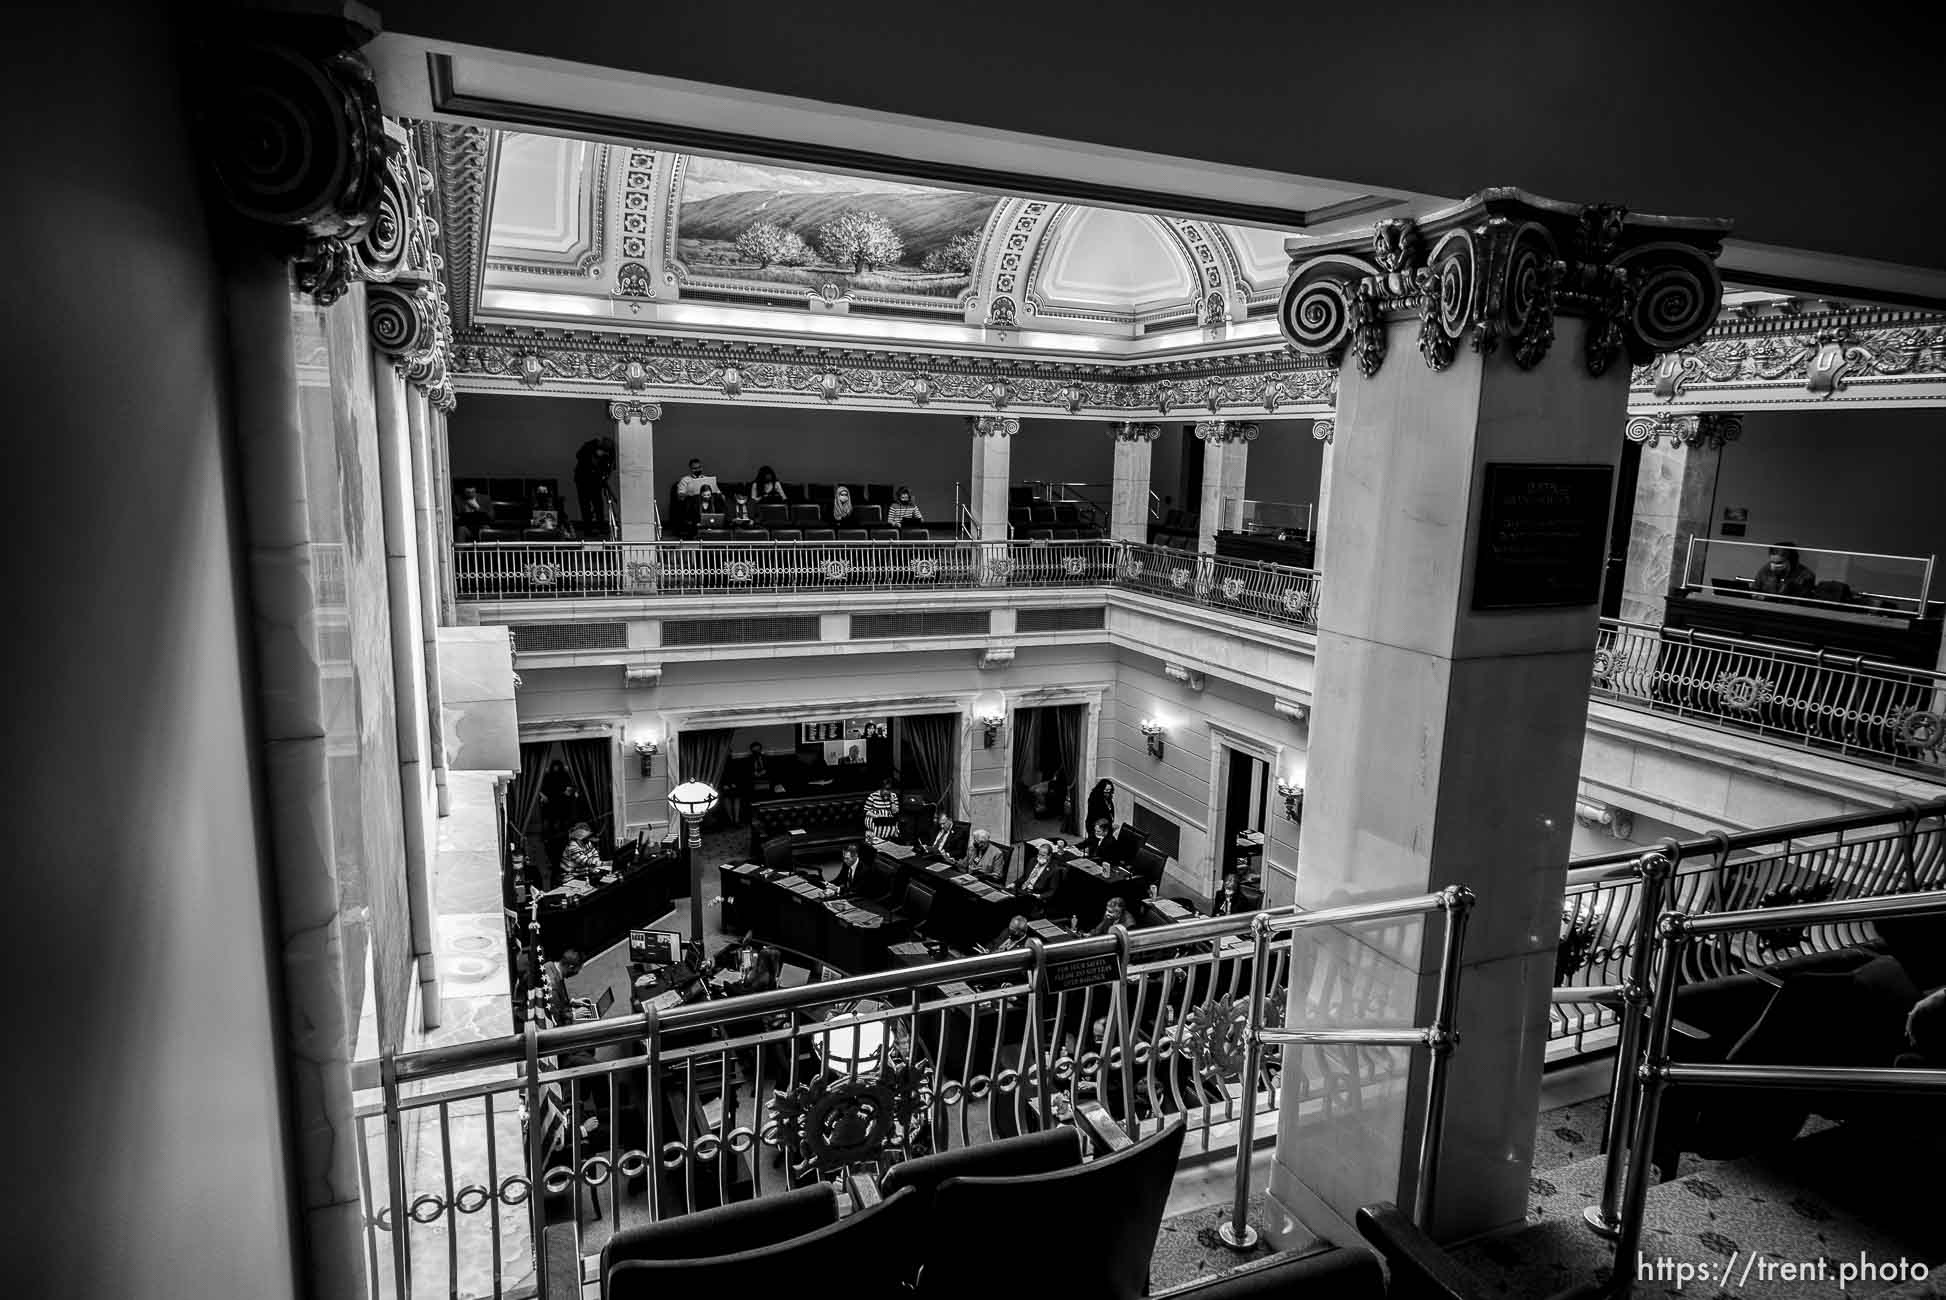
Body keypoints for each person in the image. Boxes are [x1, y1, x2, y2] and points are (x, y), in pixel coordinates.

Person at [573, 436, 616, 535]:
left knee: (598, 505)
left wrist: (604, 476)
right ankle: (588, 530)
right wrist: (593, 456)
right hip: (583, 480)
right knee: (585, 506)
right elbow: (579, 456)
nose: (603, 454)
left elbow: (608, 467)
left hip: (596, 481)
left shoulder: (607, 455)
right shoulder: (589, 447)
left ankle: (601, 527)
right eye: (602, 451)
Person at [1751, 543, 1817, 600]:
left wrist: (1767, 598)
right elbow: (1755, 588)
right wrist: (1754, 594)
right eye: (1772, 562)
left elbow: (1796, 601)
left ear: (1792, 561)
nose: (1774, 566)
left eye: (1779, 563)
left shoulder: (1806, 576)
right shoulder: (1766, 569)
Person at [1016, 843, 1067, 914]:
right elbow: (1024, 877)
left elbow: (1052, 891)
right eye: (1039, 854)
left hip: (1034, 895)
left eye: (1043, 855)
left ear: (1049, 856)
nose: (1039, 857)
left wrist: (1040, 896)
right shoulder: (1032, 861)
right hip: (1022, 891)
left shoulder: (1054, 870)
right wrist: (1013, 883)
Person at [538, 759, 575, 834]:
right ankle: (553, 832)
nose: (556, 768)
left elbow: (570, 786)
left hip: (562, 799)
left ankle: (561, 832)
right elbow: (542, 788)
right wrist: (543, 796)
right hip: (550, 800)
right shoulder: (548, 775)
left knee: (562, 819)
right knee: (551, 819)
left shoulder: (565, 775)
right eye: (555, 766)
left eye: (557, 766)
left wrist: (568, 791)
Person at [863, 777, 901, 842]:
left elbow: (895, 812)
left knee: (892, 828)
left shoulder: (893, 796)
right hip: (876, 820)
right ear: (881, 788)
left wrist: (892, 801)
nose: (887, 792)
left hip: (889, 821)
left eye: (889, 790)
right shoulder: (873, 796)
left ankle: (889, 840)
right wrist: (876, 816)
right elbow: (866, 811)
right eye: (886, 789)